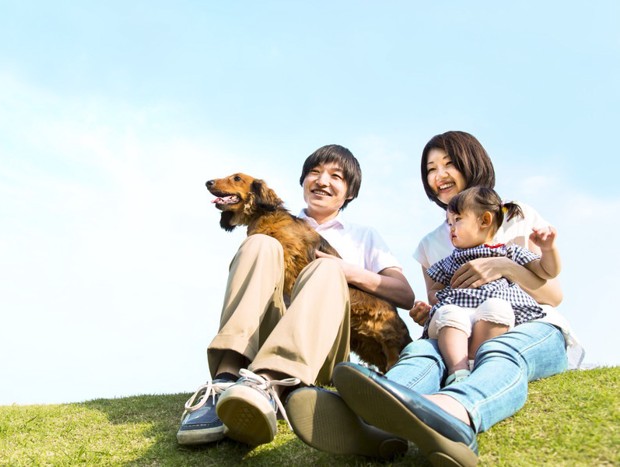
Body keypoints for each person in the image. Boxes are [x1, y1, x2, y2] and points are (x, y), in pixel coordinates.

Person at [285, 131, 583, 464]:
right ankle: (366, 419)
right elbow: (440, 306)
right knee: (422, 352)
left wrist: (501, 265)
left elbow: (553, 295)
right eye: (430, 169)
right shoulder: (431, 245)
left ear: (472, 163)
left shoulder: (514, 215)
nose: (438, 176)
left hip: (530, 326)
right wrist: (426, 315)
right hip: (458, 332)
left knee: (499, 350)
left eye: (448, 164)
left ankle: (455, 413)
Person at [177, 144, 415, 448]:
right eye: (314, 173)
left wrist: (344, 269)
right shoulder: (268, 226)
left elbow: (405, 295)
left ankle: (272, 382)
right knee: (259, 245)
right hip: (260, 343)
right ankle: (225, 381)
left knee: (324, 272)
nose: (322, 181)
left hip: (321, 351)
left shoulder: (364, 236)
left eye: (336, 176)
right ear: (303, 181)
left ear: (350, 191)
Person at [424, 186, 561, 386]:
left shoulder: (508, 252)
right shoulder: (452, 260)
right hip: (460, 315)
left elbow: (547, 271)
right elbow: (434, 290)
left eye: (457, 220)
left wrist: (548, 249)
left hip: (491, 316)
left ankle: (476, 363)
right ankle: (457, 371)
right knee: (450, 313)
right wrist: (440, 301)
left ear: (485, 220)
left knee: (497, 308)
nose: (451, 228)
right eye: (449, 223)